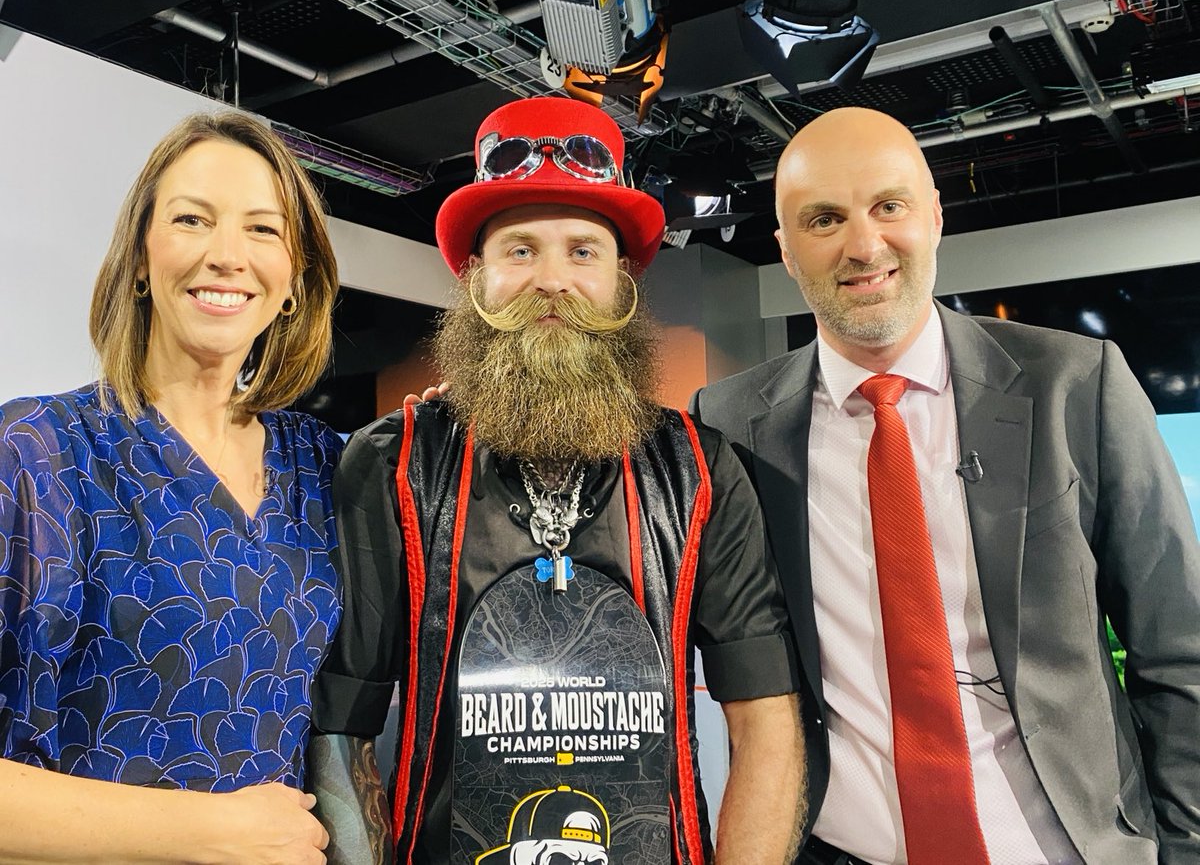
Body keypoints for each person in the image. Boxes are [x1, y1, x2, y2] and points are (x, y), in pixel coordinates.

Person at [692, 106, 1200, 864]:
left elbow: (1178, 647)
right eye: (823, 219)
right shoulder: (727, 421)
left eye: (888, 206)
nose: (863, 246)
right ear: (787, 253)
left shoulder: (1075, 383)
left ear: (933, 216)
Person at [307, 96, 805, 865]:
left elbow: (764, 716)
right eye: (519, 251)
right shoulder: (392, 466)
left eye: (582, 251)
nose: (552, 280)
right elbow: (344, 724)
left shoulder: (703, 473)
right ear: (475, 277)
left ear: (621, 283)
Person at [0, 110, 342, 863]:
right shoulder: (36, 457)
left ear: (294, 280)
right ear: (142, 261)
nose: (227, 256)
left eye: (262, 230)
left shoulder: (326, 468)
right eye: (193, 219)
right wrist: (215, 834)